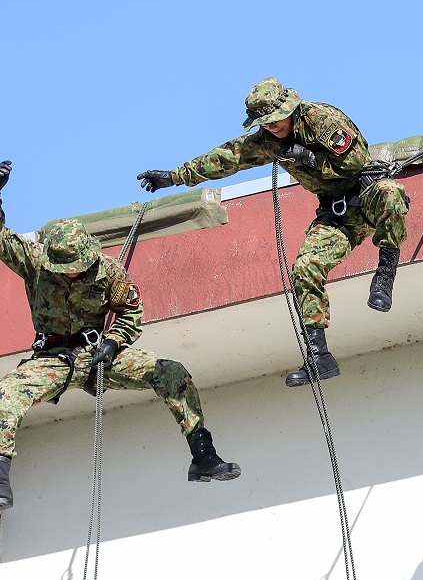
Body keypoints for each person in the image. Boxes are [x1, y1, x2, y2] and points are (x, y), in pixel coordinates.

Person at [0, 161, 239, 510]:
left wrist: (113, 342)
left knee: (171, 371)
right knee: (3, 395)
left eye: (79, 269)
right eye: (66, 271)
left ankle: (203, 456)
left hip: (99, 352)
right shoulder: (34, 262)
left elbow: (132, 311)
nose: (74, 275)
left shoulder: (107, 271)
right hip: (51, 359)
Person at [136, 78, 409, 385]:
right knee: (305, 268)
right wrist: (173, 177)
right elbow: (227, 158)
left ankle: (385, 274)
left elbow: (355, 161)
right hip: (336, 215)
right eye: (264, 123)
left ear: (289, 108)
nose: (272, 127)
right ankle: (319, 358)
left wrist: (308, 158)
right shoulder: (268, 141)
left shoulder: (321, 119)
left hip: (366, 197)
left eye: (276, 119)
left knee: (391, 192)